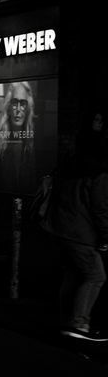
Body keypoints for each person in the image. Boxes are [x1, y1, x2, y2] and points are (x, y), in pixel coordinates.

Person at [46, 139, 108, 343]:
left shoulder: (68, 170)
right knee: (96, 276)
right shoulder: (98, 175)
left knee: (72, 275)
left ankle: (65, 320)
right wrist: (105, 236)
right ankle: (79, 323)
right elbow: (100, 209)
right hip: (82, 233)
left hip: (60, 229)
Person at [0, 81, 38, 193]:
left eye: (23, 103)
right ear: (8, 107)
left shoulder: (35, 143)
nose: (18, 109)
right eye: (14, 102)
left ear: (28, 107)